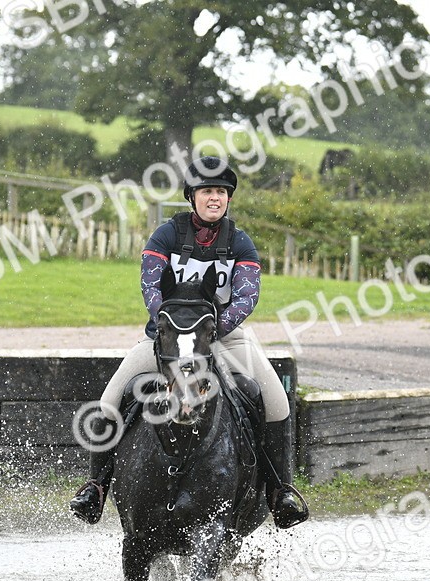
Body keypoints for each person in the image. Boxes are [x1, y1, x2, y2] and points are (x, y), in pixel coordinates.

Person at [69, 155, 310, 529]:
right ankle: (96, 487)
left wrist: (213, 329)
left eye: (221, 192)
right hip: (168, 340)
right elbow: (151, 287)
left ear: (228, 198)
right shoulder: (166, 235)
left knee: (276, 400)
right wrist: (172, 328)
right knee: (110, 398)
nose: (214, 198)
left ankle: (280, 492)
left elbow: (247, 297)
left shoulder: (240, 242)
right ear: (192, 196)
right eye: (207, 191)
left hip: (224, 339)